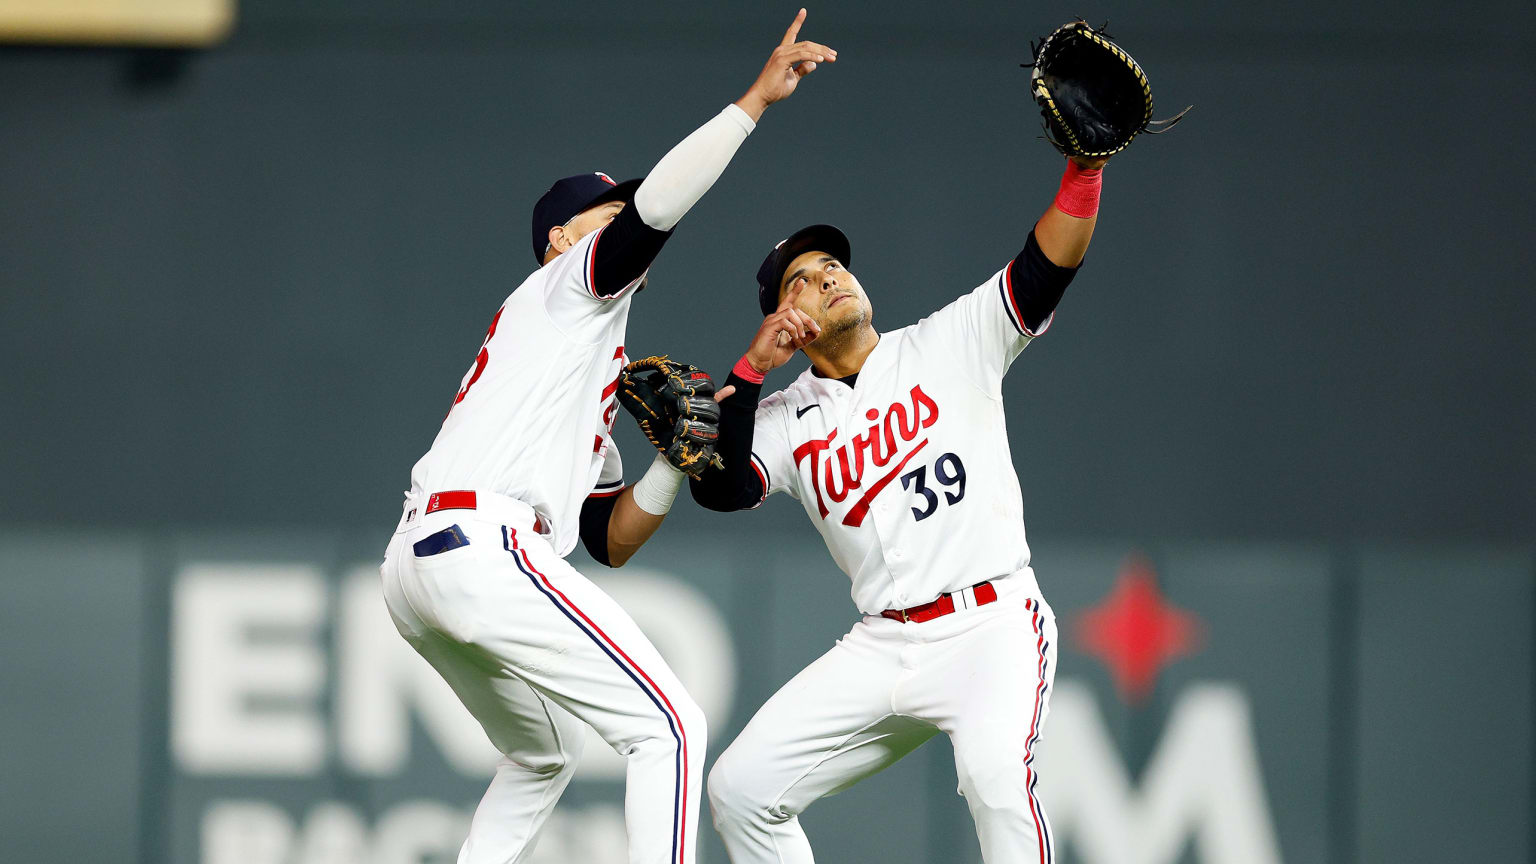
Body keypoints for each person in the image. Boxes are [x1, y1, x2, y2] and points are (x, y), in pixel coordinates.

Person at [377, 12, 836, 864]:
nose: (622, 218)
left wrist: (667, 462)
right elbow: (658, 209)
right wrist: (753, 105)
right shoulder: (566, 287)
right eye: (603, 213)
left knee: (543, 752)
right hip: (479, 542)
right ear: (558, 238)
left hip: (423, 564)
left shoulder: (581, 367)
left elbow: (607, 541)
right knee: (671, 725)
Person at [690, 151, 1110, 863]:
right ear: (785, 319)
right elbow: (720, 487)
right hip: (883, 644)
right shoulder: (789, 418)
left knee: (997, 778)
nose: (828, 276)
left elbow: (1045, 269)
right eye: (803, 279)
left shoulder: (950, 341)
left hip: (991, 625)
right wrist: (752, 370)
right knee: (741, 789)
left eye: (833, 266)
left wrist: (1085, 169)